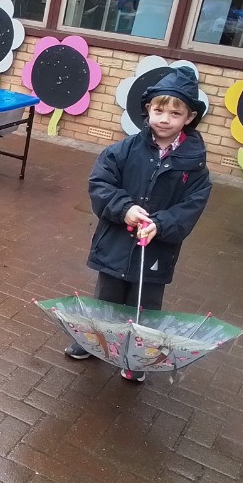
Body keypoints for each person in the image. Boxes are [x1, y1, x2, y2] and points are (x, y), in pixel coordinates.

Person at [66, 66, 212, 382]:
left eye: (175, 113)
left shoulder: (194, 165)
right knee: (107, 299)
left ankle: (136, 358)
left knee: (144, 306)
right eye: (159, 109)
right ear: (148, 109)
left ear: (188, 118)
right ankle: (93, 343)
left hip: (156, 250)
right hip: (117, 242)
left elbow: (191, 206)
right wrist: (124, 208)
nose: (165, 118)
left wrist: (160, 223)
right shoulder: (126, 149)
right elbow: (101, 181)